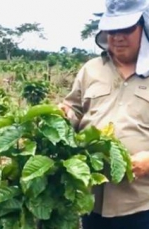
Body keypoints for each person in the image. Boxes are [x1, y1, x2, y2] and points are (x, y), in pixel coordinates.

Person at [59, 0, 149, 228]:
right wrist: (63, 116)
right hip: (92, 200)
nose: (118, 37)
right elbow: (75, 109)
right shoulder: (91, 69)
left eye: (127, 29)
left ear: (144, 26)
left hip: (141, 203)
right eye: (112, 29)